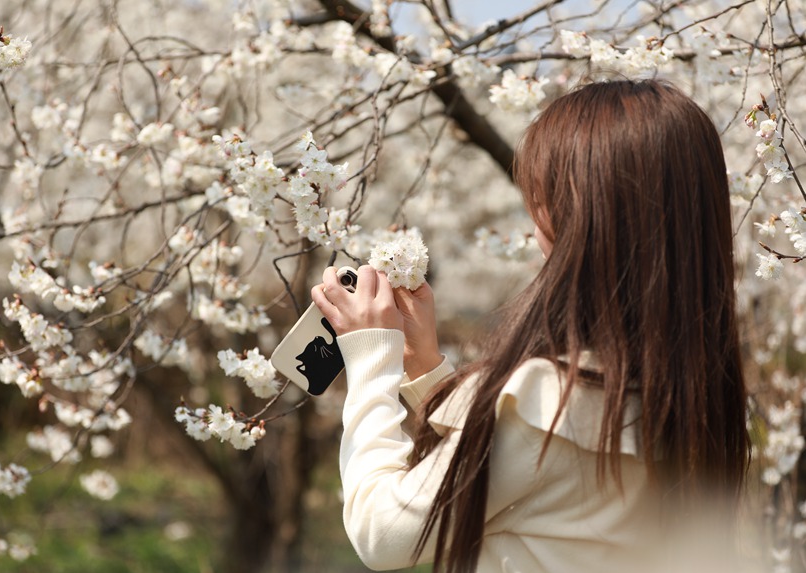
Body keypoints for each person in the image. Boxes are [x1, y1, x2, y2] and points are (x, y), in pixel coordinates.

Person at [310, 79, 749, 573]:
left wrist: (372, 358)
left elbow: (382, 532)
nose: (534, 222)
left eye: (544, 197)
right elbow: (522, 484)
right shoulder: (685, 390)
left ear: (585, 211)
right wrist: (426, 368)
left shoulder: (557, 399)